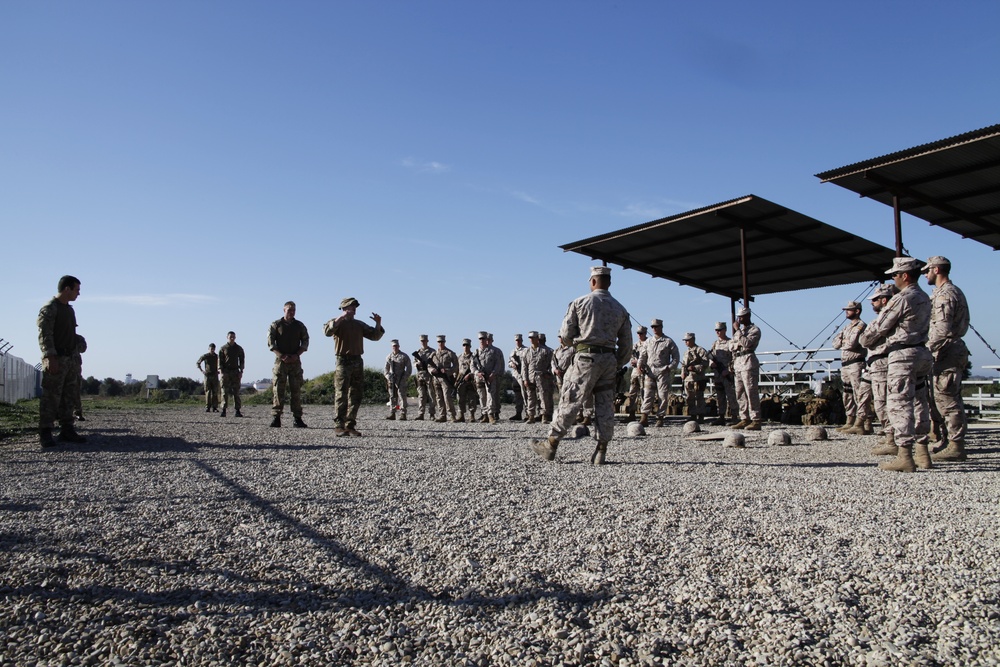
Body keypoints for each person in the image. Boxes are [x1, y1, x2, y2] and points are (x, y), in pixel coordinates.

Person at [531, 266, 632, 465]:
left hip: (586, 359)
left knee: (571, 400)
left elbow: (566, 335)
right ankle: (601, 450)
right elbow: (627, 345)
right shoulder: (620, 308)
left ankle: (551, 444)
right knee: (604, 404)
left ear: (593, 281)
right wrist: (616, 362)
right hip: (609, 361)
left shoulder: (580, 303)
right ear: (609, 283)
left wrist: (577, 344)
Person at [859, 257, 933, 472]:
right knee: (920, 402)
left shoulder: (903, 298)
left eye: (895, 275)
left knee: (899, 404)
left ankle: (905, 456)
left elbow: (879, 328)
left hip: (903, 354)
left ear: (904, 275)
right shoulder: (925, 297)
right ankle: (923, 453)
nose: (893, 278)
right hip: (921, 351)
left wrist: (865, 339)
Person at [924, 256, 971, 462]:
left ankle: (956, 445)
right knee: (940, 398)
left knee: (948, 399)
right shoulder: (945, 293)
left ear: (936, 270)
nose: (926, 274)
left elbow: (941, 330)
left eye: (928, 270)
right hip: (945, 350)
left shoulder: (946, 295)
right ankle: (947, 439)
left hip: (947, 350)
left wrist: (925, 349)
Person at [323, 297, 384, 436]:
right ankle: (339, 425)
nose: (354, 309)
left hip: (357, 361)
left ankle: (350, 425)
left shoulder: (359, 324)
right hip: (343, 361)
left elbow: (375, 336)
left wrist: (378, 324)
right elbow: (327, 332)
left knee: (356, 394)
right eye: (351, 307)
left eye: (355, 307)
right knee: (341, 394)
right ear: (344, 308)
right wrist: (340, 318)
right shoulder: (336, 322)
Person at [37, 275, 86, 447]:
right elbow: (45, 334)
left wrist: (78, 341)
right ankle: (45, 432)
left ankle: (67, 429)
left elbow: (68, 333)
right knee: (51, 397)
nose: (78, 294)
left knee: (69, 396)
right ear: (67, 289)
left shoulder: (69, 310)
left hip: (70, 359)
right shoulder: (50, 309)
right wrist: (50, 356)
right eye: (76, 289)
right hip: (56, 359)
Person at [863, 285, 899, 456]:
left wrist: (869, 337)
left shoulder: (888, 318)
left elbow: (866, 340)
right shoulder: (881, 319)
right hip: (877, 363)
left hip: (883, 363)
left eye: (876, 299)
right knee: (882, 401)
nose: (873, 303)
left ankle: (892, 438)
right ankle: (890, 435)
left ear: (884, 300)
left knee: (883, 401)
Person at [833, 300, 873, 434]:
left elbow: (852, 343)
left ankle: (865, 421)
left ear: (857, 311)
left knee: (859, 393)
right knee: (847, 393)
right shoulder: (847, 327)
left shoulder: (861, 326)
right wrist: (843, 340)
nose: (846, 312)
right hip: (845, 364)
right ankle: (850, 419)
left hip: (856, 362)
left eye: (849, 310)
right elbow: (835, 343)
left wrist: (843, 340)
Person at [268, 301, 309, 428]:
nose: (291, 312)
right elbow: (271, 343)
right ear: (284, 310)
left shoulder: (299, 325)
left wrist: (297, 355)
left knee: (296, 390)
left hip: (295, 361)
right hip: (281, 362)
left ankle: (297, 418)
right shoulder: (276, 325)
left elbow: (305, 341)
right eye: (289, 310)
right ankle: (276, 417)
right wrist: (282, 356)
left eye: (293, 310)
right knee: (278, 390)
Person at [638, 318, 679, 427]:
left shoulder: (668, 341)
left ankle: (660, 418)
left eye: (656, 327)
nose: (654, 329)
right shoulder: (648, 341)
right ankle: (644, 417)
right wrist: (640, 365)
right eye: (652, 327)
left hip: (662, 372)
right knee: (647, 395)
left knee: (663, 396)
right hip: (650, 372)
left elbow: (676, 357)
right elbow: (642, 355)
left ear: (661, 327)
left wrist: (669, 368)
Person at [731, 307, 762, 431]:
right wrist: (737, 341)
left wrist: (738, 331)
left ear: (748, 316)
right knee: (739, 392)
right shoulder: (741, 332)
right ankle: (744, 418)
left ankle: (756, 419)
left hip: (748, 362)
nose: (739, 319)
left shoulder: (754, 330)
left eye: (742, 316)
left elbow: (747, 343)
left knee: (751, 391)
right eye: (739, 317)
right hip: (738, 362)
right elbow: (732, 345)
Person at [709, 322, 738, 425]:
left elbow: (735, 358)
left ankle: (734, 416)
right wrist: (711, 363)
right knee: (720, 396)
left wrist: (729, 370)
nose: (718, 332)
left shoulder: (730, 342)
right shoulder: (715, 344)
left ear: (725, 330)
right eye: (716, 330)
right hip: (718, 374)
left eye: (720, 330)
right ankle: (721, 416)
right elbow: (711, 356)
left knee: (731, 396)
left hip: (727, 374)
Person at [472, 331, 504, 423]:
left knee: (490, 396)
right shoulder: (476, 352)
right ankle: (484, 414)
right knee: (482, 397)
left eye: (483, 339)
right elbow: (472, 365)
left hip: (490, 377)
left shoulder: (493, 351)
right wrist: (477, 373)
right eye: (480, 339)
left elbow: (498, 364)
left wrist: (493, 374)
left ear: (487, 340)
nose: (482, 340)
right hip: (480, 378)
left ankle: (491, 415)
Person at [523, 331, 554, 423]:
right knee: (530, 397)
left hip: (542, 377)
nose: (531, 340)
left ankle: (544, 416)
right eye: (530, 338)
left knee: (543, 396)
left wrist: (548, 373)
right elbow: (524, 367)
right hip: (530, 377)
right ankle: (531, 416)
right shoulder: (527, 351)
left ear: (537, 339)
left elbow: (552, 364)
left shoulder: (546, 351)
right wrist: (525, 379)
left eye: (533, 338)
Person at [680, 332, 711, 423]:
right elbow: (684, 365)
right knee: (690, 398)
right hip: (688, 378)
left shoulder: (700, 350)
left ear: (693, 340)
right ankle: (693, 415)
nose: (686, 342)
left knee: (699, 398)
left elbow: (705, 363)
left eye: (688, 340)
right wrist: (683, 373)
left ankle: (700, 416)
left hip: (698, 378)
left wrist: (695, 368)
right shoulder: (686, 352)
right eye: (685, 341)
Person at [430, 335, 459, 423]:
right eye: (439, 342)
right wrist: (432, 370)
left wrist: (447, 370)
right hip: (436, 378)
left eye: (442, 342)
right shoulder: (434, 354)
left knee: (447, 397)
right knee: (439, 397)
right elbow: (428, 365)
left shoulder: (450, 353)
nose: (440, 343)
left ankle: (452, 415)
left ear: (444, 342)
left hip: (445, 379)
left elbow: (456, 366)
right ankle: (442, 415)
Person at [218, 331, 245, 418]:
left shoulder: (239, 348)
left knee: (236, 392)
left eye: (233, 336)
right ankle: (224, 410)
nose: (232, 338)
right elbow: (220, 361)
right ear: (227, 337)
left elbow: (242, 360)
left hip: (235, 372)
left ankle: (237, 410)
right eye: (230, 336)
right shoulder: (223, 348)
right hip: (226, 372)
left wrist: (241, 371)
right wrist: (221, 372)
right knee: (224, 392)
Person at [384, 339, 412, 421]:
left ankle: (403, 414)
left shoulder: (404, 356)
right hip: (392, 379)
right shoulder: (389, 357)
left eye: (396, 346)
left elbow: (409, 368)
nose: (395, 347)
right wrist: (388, 376)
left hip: (401, 379)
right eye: (393, 346)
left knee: (402, 396)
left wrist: (404, 378)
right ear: (391, 347)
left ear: (399, 346)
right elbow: (386, 369)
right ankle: (392, 412)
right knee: (392, 396)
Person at [626, 325, 648, 420]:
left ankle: (644, 415)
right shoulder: (635, 345)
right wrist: (633, 362)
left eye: (641, 333)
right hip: (635, 372)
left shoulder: (649, 344)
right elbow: (632, 356)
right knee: (632, 393)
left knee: (644, 393)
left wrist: (642, 363)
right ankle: (631, 413)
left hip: (645, 371)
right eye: (638, 333)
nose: (639, 335)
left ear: (645, 333)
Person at [455, 338, 479, 422]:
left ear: (470, 346)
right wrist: (456, 379)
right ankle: (461, 415)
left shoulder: (474, 357)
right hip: (461, 380)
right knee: (460, 398)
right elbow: (457, 369)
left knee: (472, 398)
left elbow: (476, 368)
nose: (465, 347)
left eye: (467, 345)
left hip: (471, 380)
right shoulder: (459, 357)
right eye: (464, 345)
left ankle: (472, 415)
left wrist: (471, 375)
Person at [412, 335, 436, 421]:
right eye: (422, 341)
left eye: (424, 340)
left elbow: (435, 362)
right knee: (421, 395)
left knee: (431, 395)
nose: (423, 342)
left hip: (429, 375)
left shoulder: (432, 351)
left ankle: (432, 414)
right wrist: (418, 364)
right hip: (420, 375)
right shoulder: (418, 352)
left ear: (427, 341)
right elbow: (414, 363)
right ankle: (421, 414)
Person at [507, 334, 527, 421]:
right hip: (515, 375)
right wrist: (512, 364)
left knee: (525, 395)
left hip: (523, 375)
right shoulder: (512, 351)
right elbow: (509, 362)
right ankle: (518, 413)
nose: (517, 342)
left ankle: (528, 413)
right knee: (517, 394)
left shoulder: (526, 350)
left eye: (519, 340)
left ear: (521, 340)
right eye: (516, 340)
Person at [196, 343, 221, 413]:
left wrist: (219, 370)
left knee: (215, 392)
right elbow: (198, 363)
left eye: (213, 349)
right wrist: (202, 371)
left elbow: (221, 363)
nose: (212, 350)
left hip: (215, 375)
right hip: (207, 375)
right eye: (211, 349)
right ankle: (208, 407)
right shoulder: (205, 356)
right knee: (208, 392)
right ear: (208, 349)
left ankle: (215, 407)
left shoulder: (217, 356)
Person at [72, 334, 87, 421]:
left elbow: (83, 349)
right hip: (62, 367)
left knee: (75, 391)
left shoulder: (78, 338)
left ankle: (77, 411)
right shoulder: (60, 336)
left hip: (75, 368)